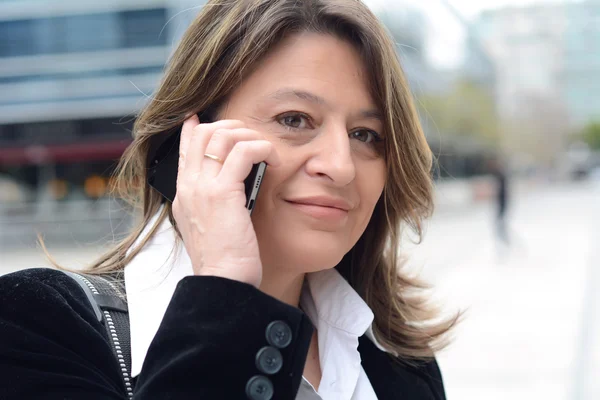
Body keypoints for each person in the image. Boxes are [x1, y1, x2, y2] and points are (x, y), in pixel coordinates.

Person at [0, 0, 458, 398]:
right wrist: (223, 288)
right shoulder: (34, 325)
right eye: (295, 119)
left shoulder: (402, 364)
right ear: (189, 140)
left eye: (365, 134)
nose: (340, 165)